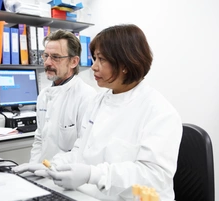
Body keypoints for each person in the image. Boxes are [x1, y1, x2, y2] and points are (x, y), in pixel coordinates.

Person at [14, 24, 182, 201]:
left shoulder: (159, 112)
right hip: (91, 195)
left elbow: (154, 175)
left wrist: (93, 174)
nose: (94, 67)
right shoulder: (98, 102)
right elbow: (79, 151)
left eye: (101, 59)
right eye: (94, 58)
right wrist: (50, 167)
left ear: (124, 64)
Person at [14, 29, 97, 171]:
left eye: (55, 57)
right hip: (41, 172)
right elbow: (39, 139)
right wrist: (32, 167)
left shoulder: (87, 97)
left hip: (67, 175)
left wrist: (50, 169)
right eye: (46, 56)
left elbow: (83, 149)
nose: (47, 62)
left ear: (73, 61)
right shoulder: (44, 95)